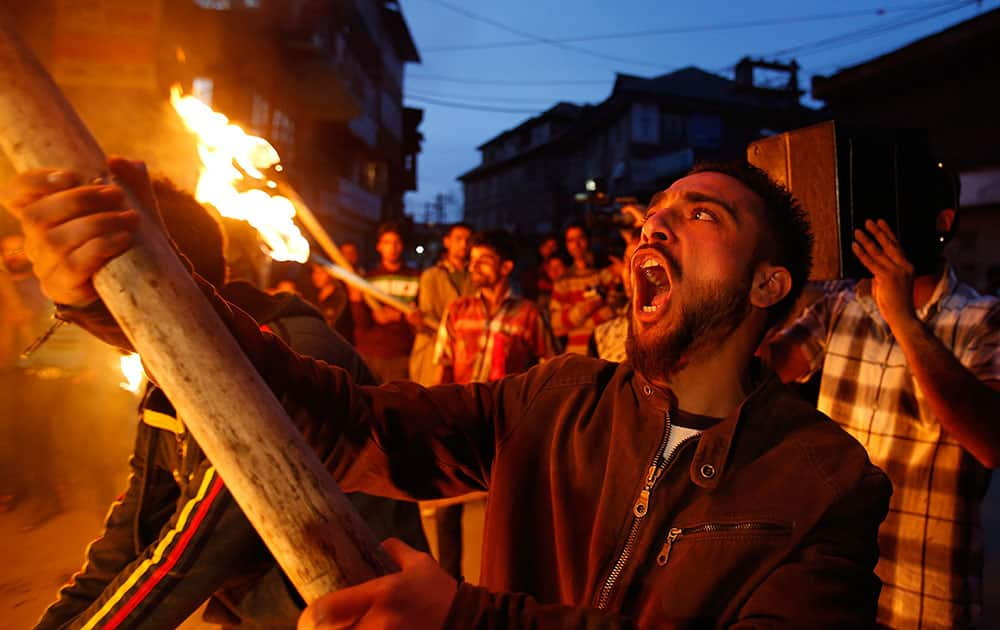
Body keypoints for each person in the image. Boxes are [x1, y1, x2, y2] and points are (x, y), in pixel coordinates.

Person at [6, 158, 892, 628]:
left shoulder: (824, 479)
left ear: (770, 287)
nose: (655, 220)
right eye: (657, 206)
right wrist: (150, 294)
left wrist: (466, 623)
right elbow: (342, 423)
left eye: (703, 214)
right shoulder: (552, 398)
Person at [27, 178, 427, 630]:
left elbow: (192, 554)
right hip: (275, 612)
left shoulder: (275, 360)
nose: (111, 338)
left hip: (360, 617)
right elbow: (134, 527)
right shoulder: (173, 362)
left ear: (162, 282)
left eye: (105, 313)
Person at [764, 163, 1000, 629]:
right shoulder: (842, 302)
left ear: (942, 222)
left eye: (892, 215)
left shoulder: (983, 318)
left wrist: (904, 319)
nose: (877, 230)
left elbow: (990, 442)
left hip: (924, 591)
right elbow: (762, 371)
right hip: (832, 581)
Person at [431, 229, 557, 579]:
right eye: (473, 262)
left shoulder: (529, 315)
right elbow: (442, 366)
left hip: (506, 425)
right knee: (446, 509)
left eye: (484, 261)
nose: (475, 268)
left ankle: (497, 594)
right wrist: (435, 415)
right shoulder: (456, 311)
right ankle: (448, 586)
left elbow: (550, 368)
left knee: (502, 513)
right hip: (460, 419)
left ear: (506, 267)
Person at [350, 221, 422, 382]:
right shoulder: (368, 280)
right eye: (387, 242)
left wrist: (400, 317)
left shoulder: (416, 278)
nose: (392, 248)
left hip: (400, 355)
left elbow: (420, 316)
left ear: (402, 246)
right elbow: (362, 323)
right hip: (369, 353)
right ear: (379, 246)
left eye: (396, 242)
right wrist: (356, 300)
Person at [408, 222, 473, 387]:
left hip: (467, 355)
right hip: (433, 351)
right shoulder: (431, 276)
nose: (464, 244)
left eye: (468, 240)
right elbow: (428, 315)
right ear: (447, 242)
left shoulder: (476, 278)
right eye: (458, 239)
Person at [549, 222, 621, 355]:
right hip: (577, 350)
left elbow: (614, 309)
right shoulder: (563, 281)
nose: (576, 245)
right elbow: (556, 323)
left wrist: (578, 323)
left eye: (580, 238)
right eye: (571, 240)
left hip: (607, 347)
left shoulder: (603, 274)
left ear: (588, 240)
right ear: (566, 245)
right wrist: (586, 308)